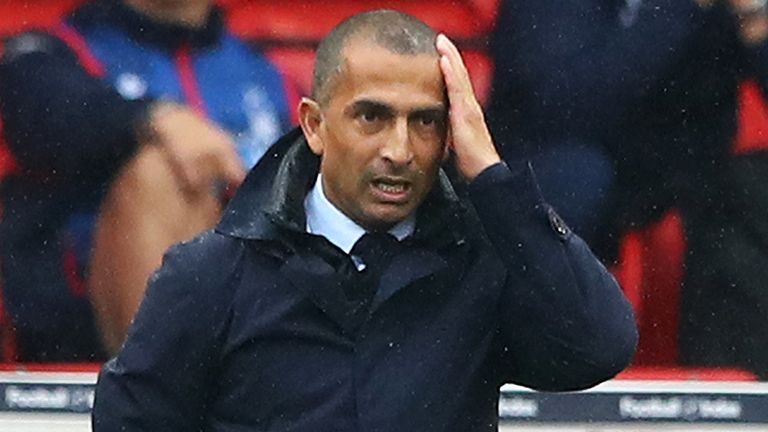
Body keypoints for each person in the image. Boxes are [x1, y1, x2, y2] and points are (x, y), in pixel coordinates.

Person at [92, 10, 637, 431]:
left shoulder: (479, 269)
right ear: (313, 125)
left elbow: (600, 345)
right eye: (372, 116)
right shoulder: (212, 273)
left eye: (425, 122)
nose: (399, 150)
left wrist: (490, 176)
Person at [0, 0, 293, 360]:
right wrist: (153, 118)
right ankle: (164, 391)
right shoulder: (50, 54)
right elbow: (42, 118)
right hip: (83, 341)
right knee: (163, 173)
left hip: (252, 324)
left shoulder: (267, 78)